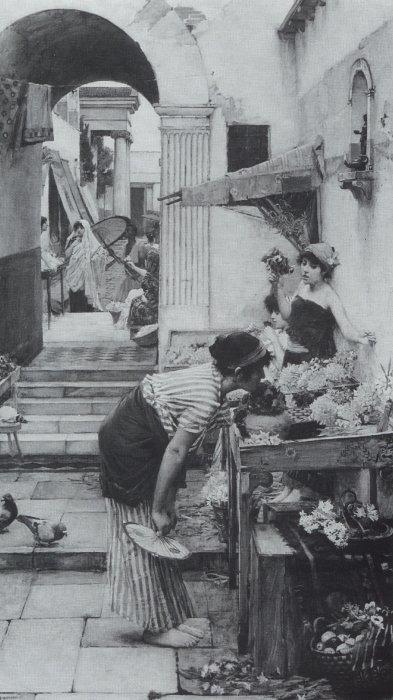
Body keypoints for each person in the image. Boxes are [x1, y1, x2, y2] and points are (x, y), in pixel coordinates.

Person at [99, 332, 270, 648]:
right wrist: (158, 507)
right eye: (258, 371)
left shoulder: (216, 386)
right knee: (143, 532)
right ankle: (154, 627)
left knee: (160, 530)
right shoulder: (207, 396)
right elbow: (176, 452)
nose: (262, 377)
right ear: (238, 373)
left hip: (146, 437)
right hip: (129, 444)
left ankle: (171, 617)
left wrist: (169, 502)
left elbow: (183, 445)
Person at [269, 242, 376, 502]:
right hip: (292, 362)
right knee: (290, 422)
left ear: (324, 270)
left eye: (312, 265)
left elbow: (346, 327)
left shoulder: (328, 294)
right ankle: (288, 486)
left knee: (306, 426)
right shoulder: (302, 287)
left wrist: (363, 338)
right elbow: (287, 316)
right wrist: (277, 287)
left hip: (312, 365)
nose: (305, 269)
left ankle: (305, 488)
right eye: (304, 263)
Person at [65, 219, 106, 313]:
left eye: (81, 228)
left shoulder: (92, 243)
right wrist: (69, 240)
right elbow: (67, 255)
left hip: (85, 276)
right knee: (74, 299)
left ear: (86, 229)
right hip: (74, 275)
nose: (79, 230)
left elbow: (100, 255)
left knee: (84, 300)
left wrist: (94, 259)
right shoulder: (74, 242)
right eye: (77, 228)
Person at [127, 247, 160, 328]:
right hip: (150, 299)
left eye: (149, 261)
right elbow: (146, 273)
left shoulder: (157, 275)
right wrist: (133, 267)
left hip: (155, 303)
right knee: (135, 300)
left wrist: (146, 299)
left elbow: (155, 293)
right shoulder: (151, 272)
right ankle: (134, 329)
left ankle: (141, 329)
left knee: (137, 305)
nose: (147, 262)